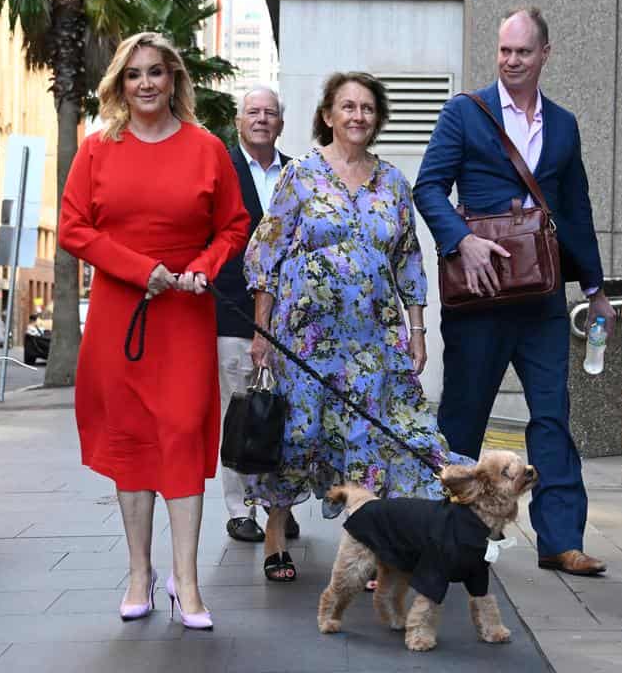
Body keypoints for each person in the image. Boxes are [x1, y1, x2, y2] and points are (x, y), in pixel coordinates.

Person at [412, 7, 613, 577]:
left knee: (552, 418)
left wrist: (594, 287)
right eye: (504, 51)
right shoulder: (464, 113)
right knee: (462, 419)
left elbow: (575, 208)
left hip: (543, 298)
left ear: (544, 54)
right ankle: (442, 534)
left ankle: (560, 541)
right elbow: (429, 187)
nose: (511, 61)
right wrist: (460, 240)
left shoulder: (565, 125)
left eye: (522, 52)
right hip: (479, 295)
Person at [58, 31, 249, 629]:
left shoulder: (207, 148)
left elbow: (233, 225)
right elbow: (73, 229)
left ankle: (186, 582)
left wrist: (198, 269)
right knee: (133, 439)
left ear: (174, 81)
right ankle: (139, 573)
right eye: (135, 73)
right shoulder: (96, 150)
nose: (146, 83)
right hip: (122, 313)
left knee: (185, 435)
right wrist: (145, 271)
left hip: (185, 315)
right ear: (120, 83)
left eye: (157, 73)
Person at [245, 72, 456, 584]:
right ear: (328, 116)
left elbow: (408, 260)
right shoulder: (302, 176)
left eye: (367, 108)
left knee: (367, 440)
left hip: (373, 340)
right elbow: (266, 251)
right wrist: (262, 331)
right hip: (304, 336)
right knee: (298, 435)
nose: (358, 116)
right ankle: (275, 531)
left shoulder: (393, 183)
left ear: (377, 119)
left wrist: (419, 330)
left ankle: (369, 549)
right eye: (348, 106)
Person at [214, 85, 298, 544]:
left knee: (284, 411)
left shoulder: (297, 174)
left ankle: (278, 508)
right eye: (253, 112)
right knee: (241, 411)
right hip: (233, 312)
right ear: (239, 120)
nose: (262, 119)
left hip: (291, 322)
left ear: (281, 123)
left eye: (270, 113)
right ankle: (241, 508)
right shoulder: (219, 168)